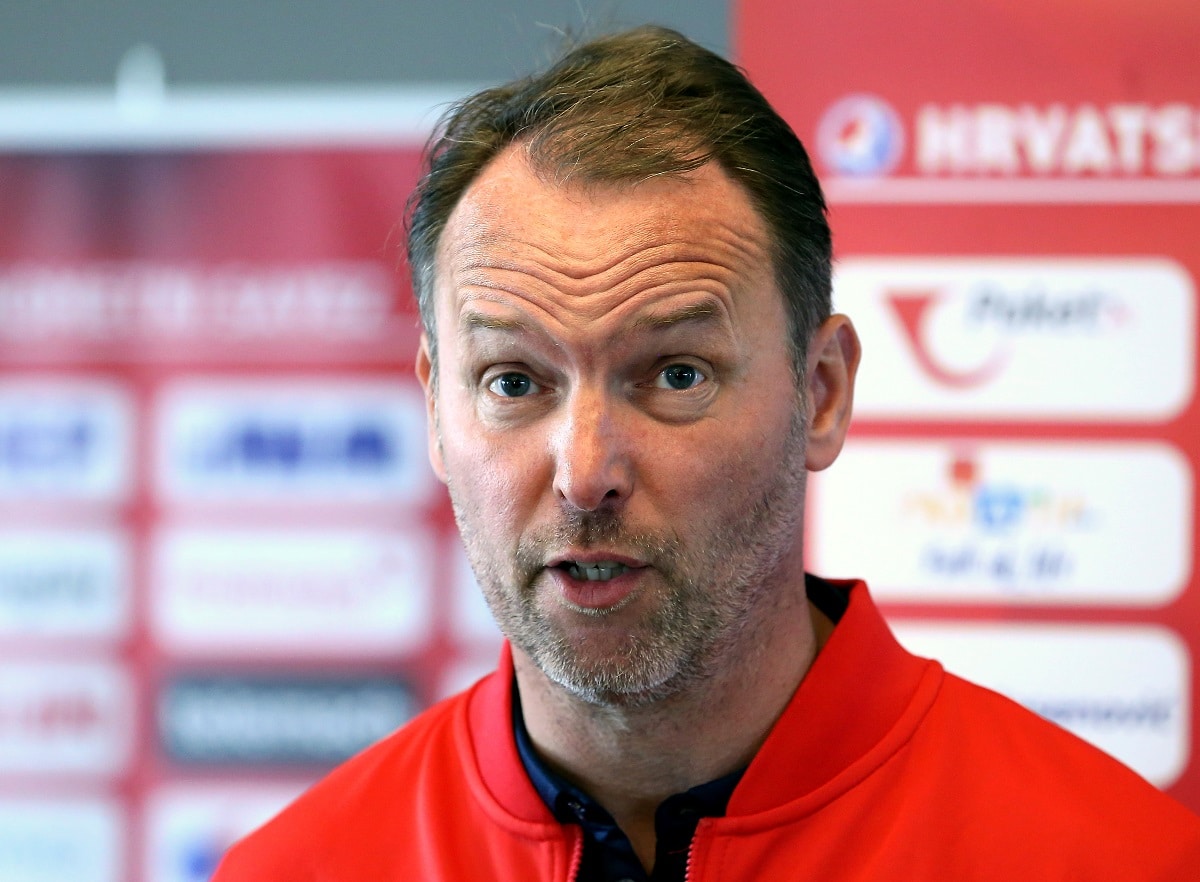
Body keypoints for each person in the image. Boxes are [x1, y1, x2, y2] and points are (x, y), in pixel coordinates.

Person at [214, 25, 1200, 881]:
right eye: (514, 382)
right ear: (437, 410)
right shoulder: (299, 869)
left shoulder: (1114, 862)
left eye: (675, 374)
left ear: (821, 393)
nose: (585, 472)